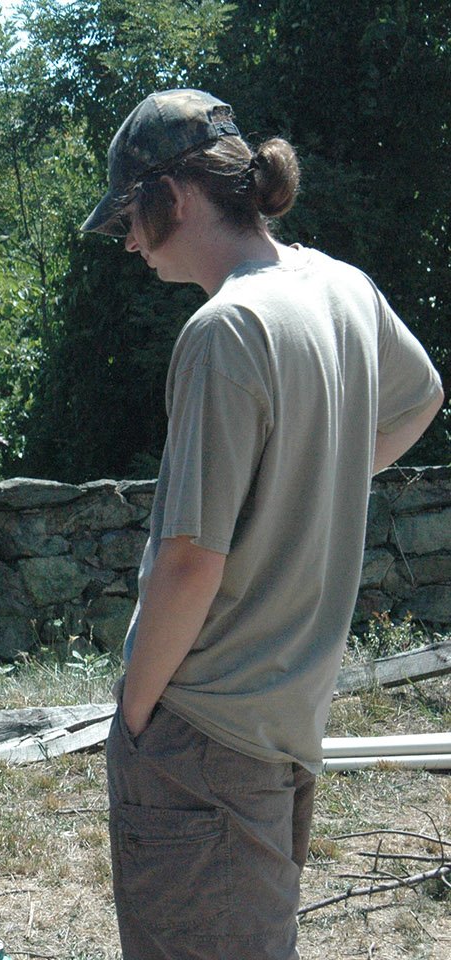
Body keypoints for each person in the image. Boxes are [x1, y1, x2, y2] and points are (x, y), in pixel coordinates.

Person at [82, 88, 443, 959]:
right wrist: (311, 481)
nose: (128, 241)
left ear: (174, 194)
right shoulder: (340, 287)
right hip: (288, 717)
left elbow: (189, 562)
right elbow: (422, 395)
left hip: (201, 729)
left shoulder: (227, 328)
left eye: (130, 214)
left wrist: (134, 717)